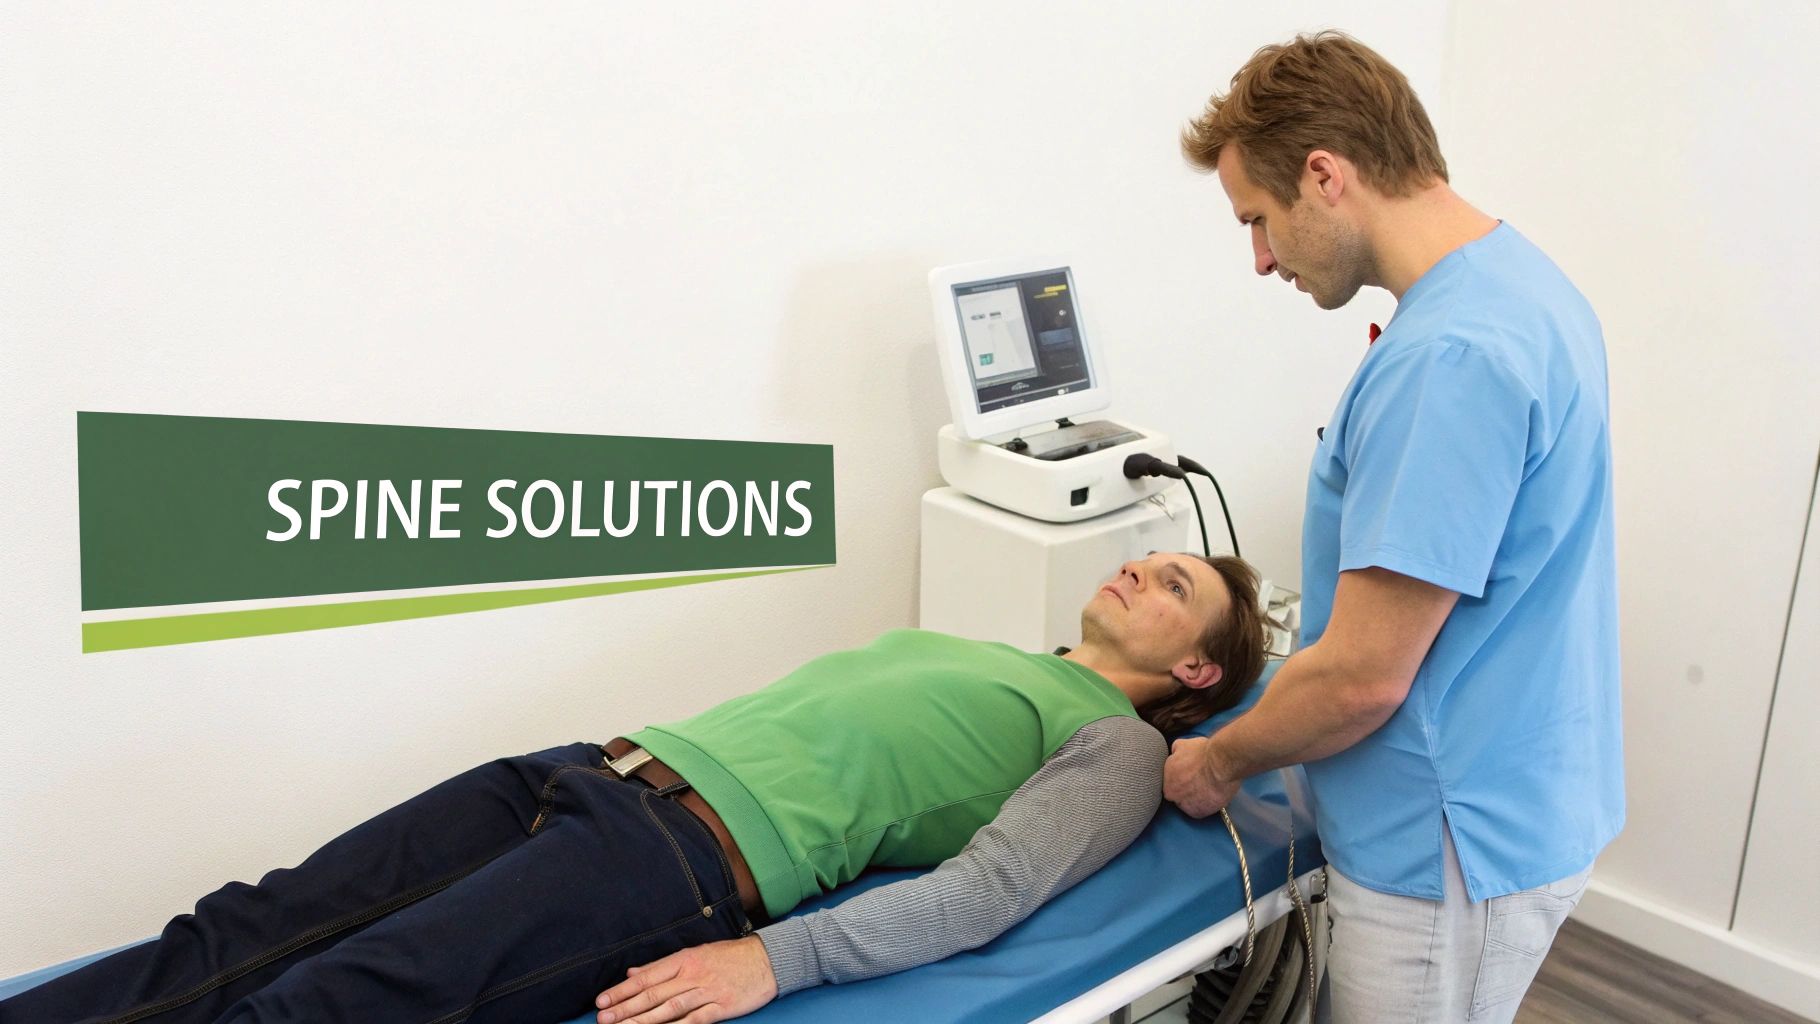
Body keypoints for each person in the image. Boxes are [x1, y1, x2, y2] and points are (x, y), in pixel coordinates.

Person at [1, 552, 1268, 1024]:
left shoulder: (1114, 744)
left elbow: (988, 892)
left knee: (329, 1002)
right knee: (242, 926)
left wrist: (776, 959)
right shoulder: (995, 655)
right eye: (1147, 558)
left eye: (1173, 587)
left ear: (1197, 671)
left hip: (674, 862)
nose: (1136, 568)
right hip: (585, 768)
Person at [1163, 31, 1623, 1024]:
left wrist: (1219, 757)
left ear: (1324, 176)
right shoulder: (1521, 285)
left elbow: (1364, 678)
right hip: (1516, 787)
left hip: (1447, 839)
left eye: (1258, 219)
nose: (1259, 259)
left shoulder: (1448, 357)